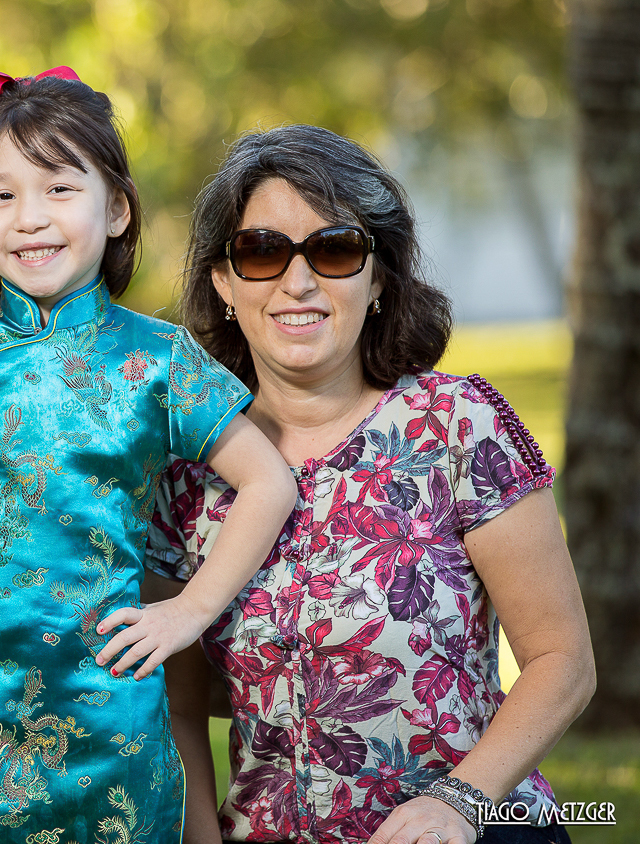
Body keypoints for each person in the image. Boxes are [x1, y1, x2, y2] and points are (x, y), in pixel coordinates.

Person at [0, 69, 297, 844]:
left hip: (117, 704)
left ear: (116, 208)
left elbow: (267, 482)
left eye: (58, 188)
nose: (29, 218)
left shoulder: (158, 360)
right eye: (1, 196)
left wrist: (188, 611)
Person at [146, 124, 595, 844]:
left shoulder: (457, 427)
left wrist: (459, 802)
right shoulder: (185, 479)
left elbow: (562, 662)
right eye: (263, 252)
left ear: (379, 275)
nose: (298, 282)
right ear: (224, 284)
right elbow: (176, 712)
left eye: (333, 249)